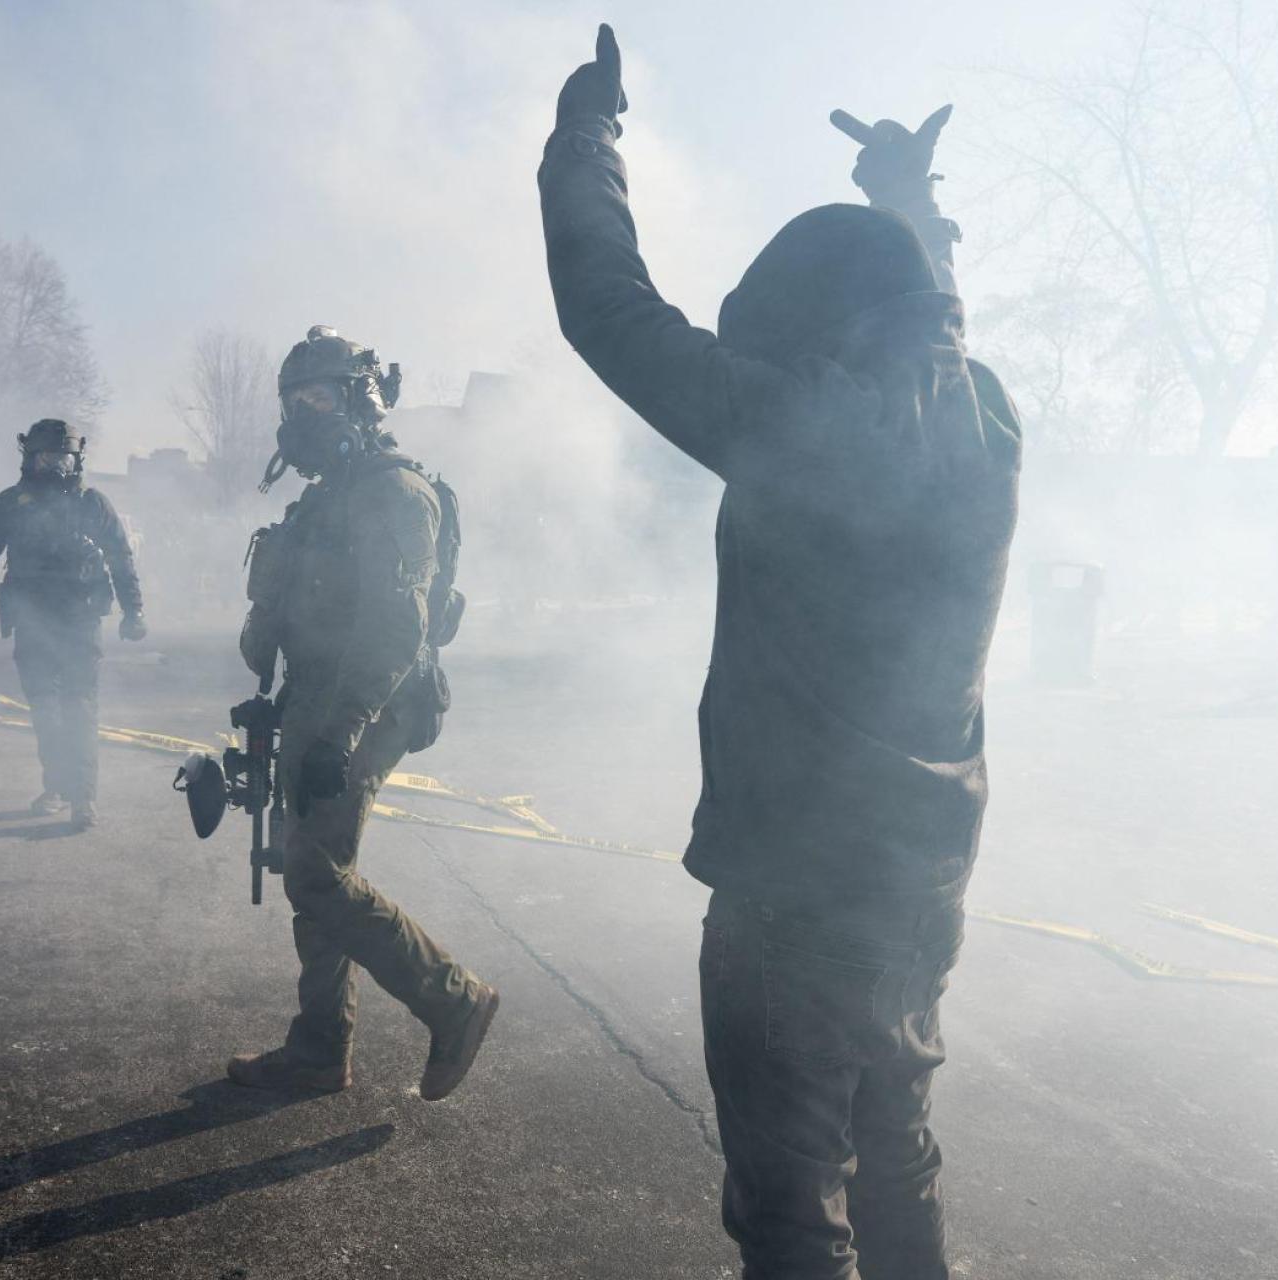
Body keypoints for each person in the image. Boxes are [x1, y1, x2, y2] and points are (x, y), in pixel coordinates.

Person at [540, 28, 1021, 1280]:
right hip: (922, 878)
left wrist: (585, 138)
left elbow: (608, 310)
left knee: (793, 1215)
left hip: (799, 889)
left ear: (813, 330)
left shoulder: (810, 427)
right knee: (896, 1153)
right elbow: (931, 311)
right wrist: (906, 201)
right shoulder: (981, 415)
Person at [226, 325, 496, 1103]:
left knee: (316, 874)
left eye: (316, 397)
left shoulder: (394, 492)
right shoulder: (323, 499)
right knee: (309, 868)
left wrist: (341, 731)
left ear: (361, 401)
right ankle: (319, 1050)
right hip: (315, 696)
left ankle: (455, 999)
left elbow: (396, 629)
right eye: (293, 402)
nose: (301, 416)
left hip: (376, 700)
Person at [0, 419, 147, 831]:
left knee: (80, 705)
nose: (57, 467)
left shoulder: (93, 504)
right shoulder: (11, 504)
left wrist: (134, 611)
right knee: (44, 708)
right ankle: (56, 785)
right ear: (31, 458)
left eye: (64, 459)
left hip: (80, 620)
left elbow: (120, 558)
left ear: (77, 460)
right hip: (32, 621)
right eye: (48, 458)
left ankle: (83, 796)